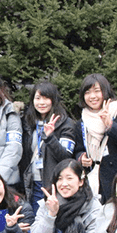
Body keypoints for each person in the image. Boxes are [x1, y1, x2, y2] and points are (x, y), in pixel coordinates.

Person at [73, 73, 117, 203]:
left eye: (97, 91)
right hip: (97, 184)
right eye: (88, 92)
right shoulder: (82, 123)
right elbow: (78, 149)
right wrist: (81, 158)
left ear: (105, 92)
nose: (92, 96)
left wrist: (111, 125)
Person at [20, 82, 77, 215]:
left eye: (46, 98)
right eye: (38, 98)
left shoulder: (65, 123)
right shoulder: (28, 122)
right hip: (33, 183)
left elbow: (66, 157)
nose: (41, 102)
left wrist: (50, 137)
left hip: (54, 185)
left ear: (53, 100)